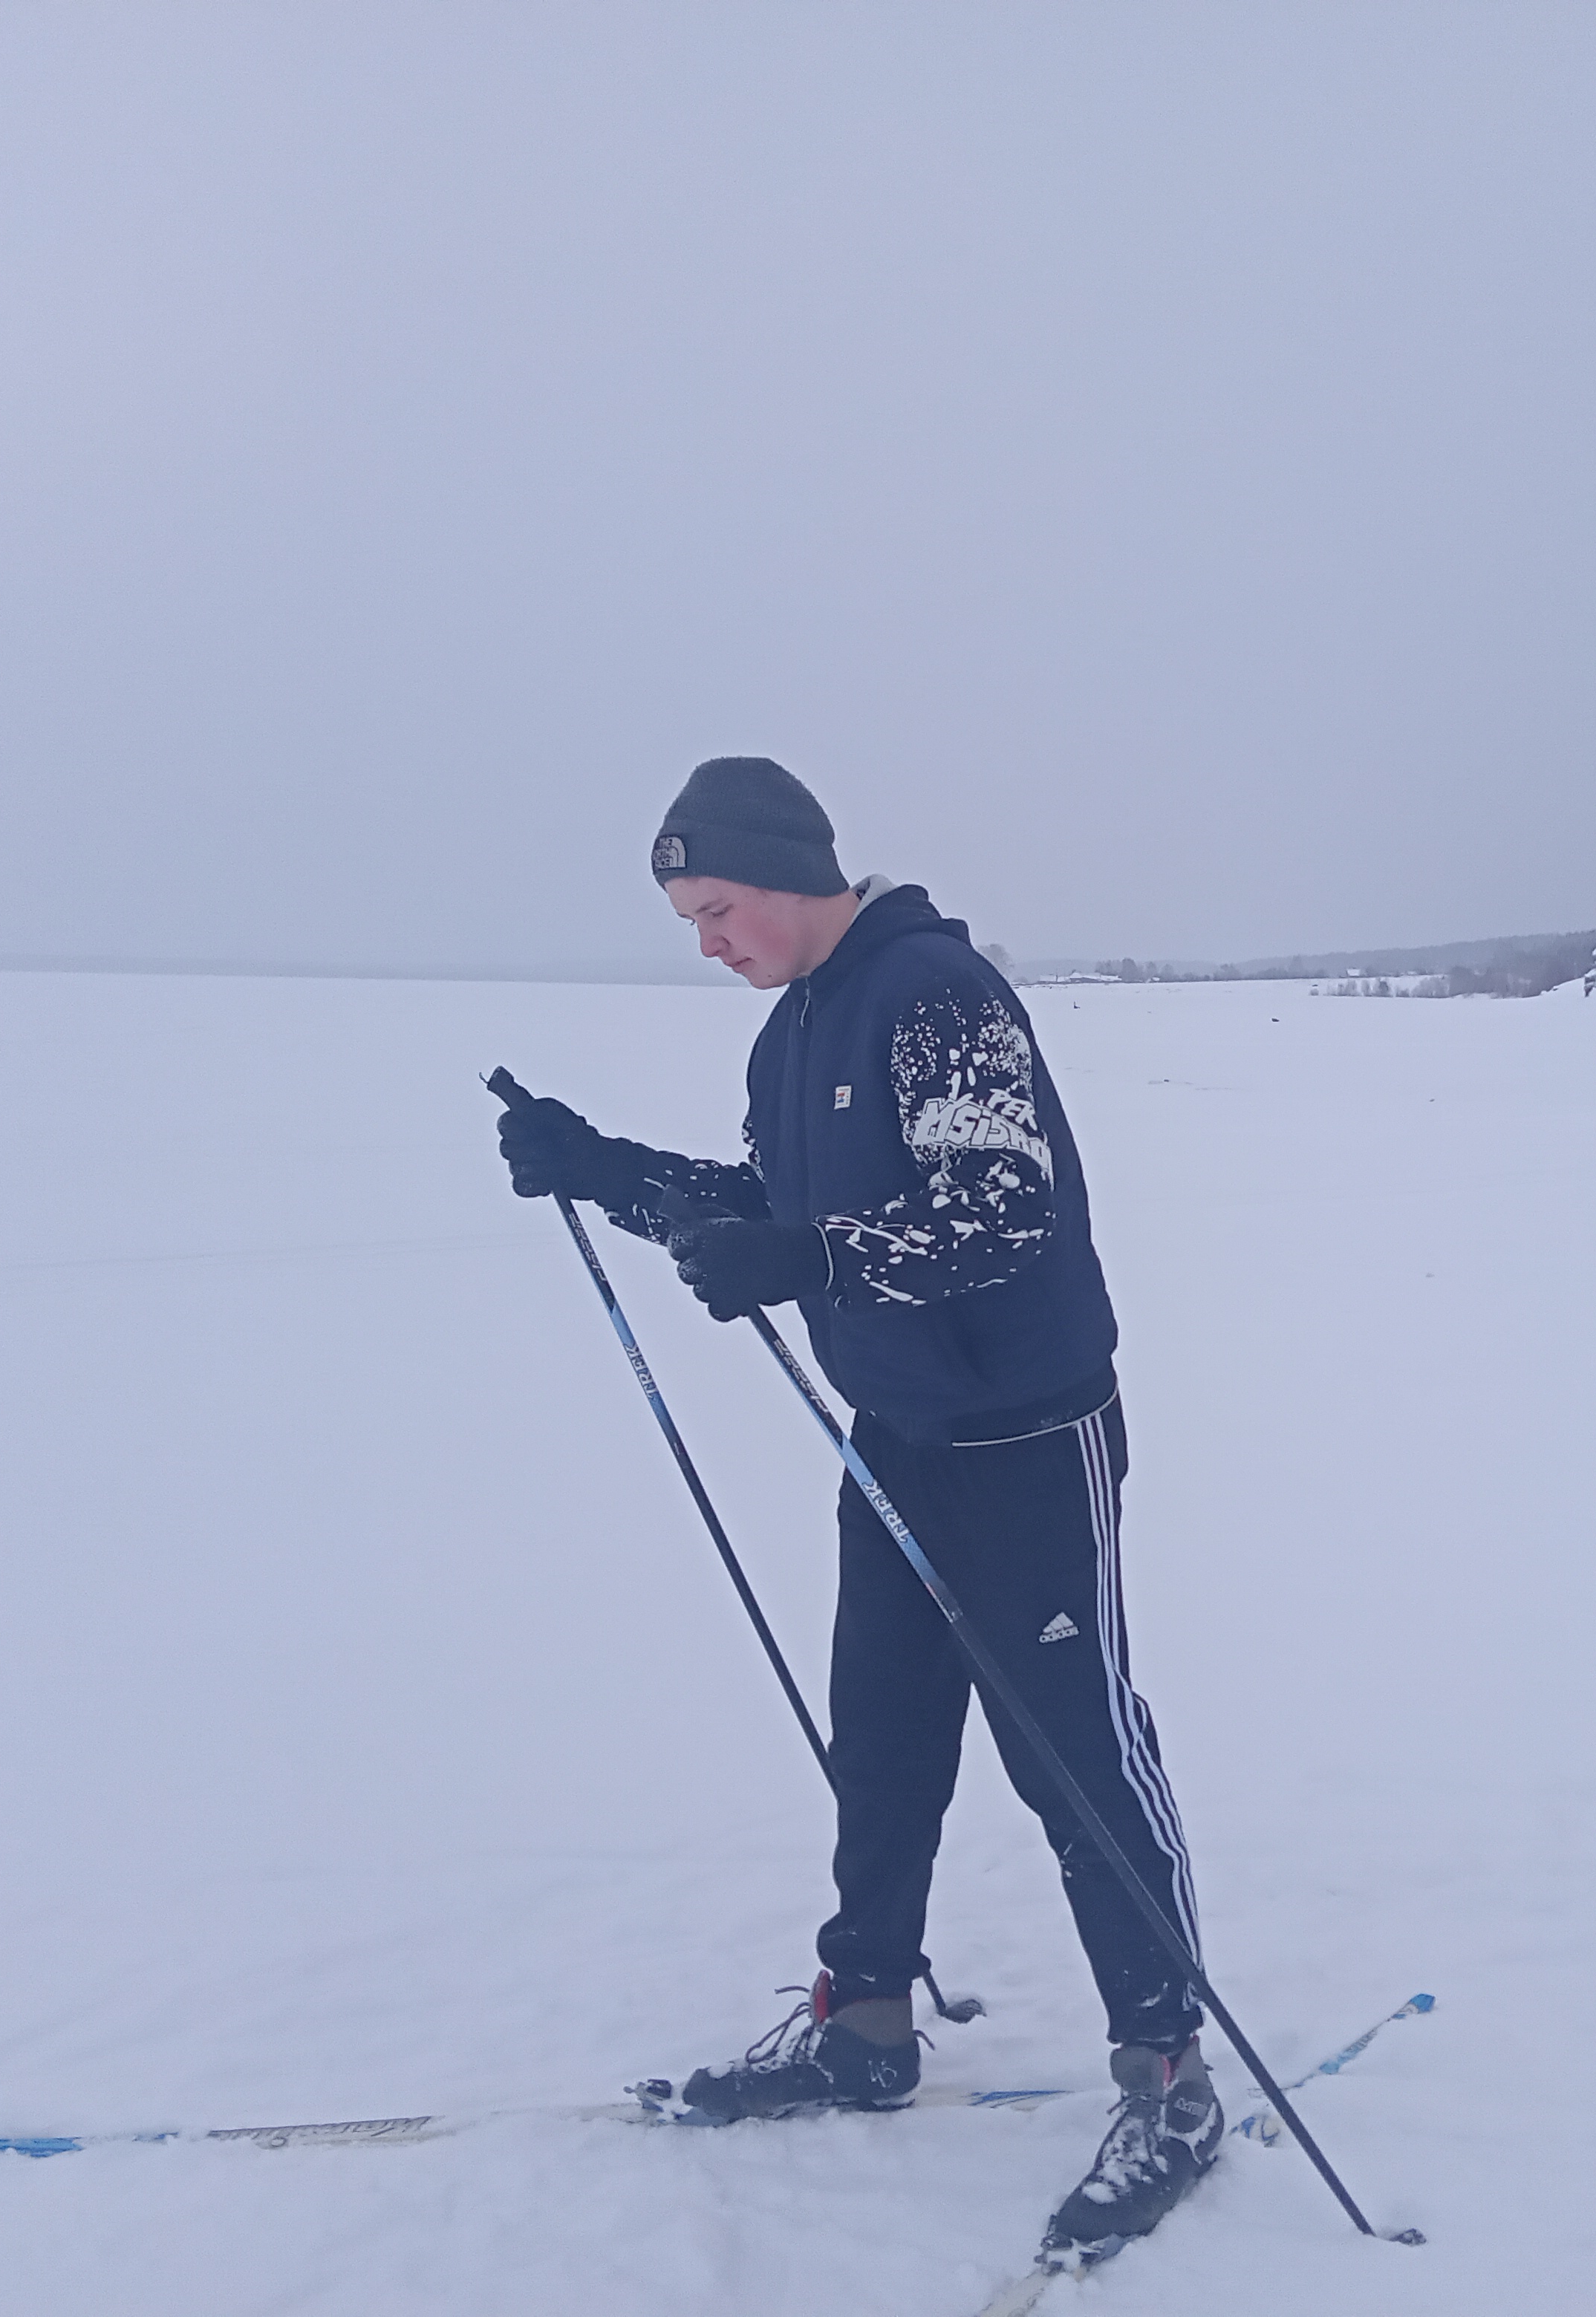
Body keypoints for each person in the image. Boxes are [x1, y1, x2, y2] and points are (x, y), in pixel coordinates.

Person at [497, 755, 1219, 2252]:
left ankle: (1169, 2074)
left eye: (717, 910)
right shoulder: (794, 1032)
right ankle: (866, 2025)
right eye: (690, 922)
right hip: (896, 1435)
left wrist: (812, 1259)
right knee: (883, 1747)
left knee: (1074, 1755)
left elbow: (999, 1214)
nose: (708, 943)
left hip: (1028, 1437)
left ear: (786, 874)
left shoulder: (934, 993)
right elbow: (775, 1217)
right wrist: (600, 1167)